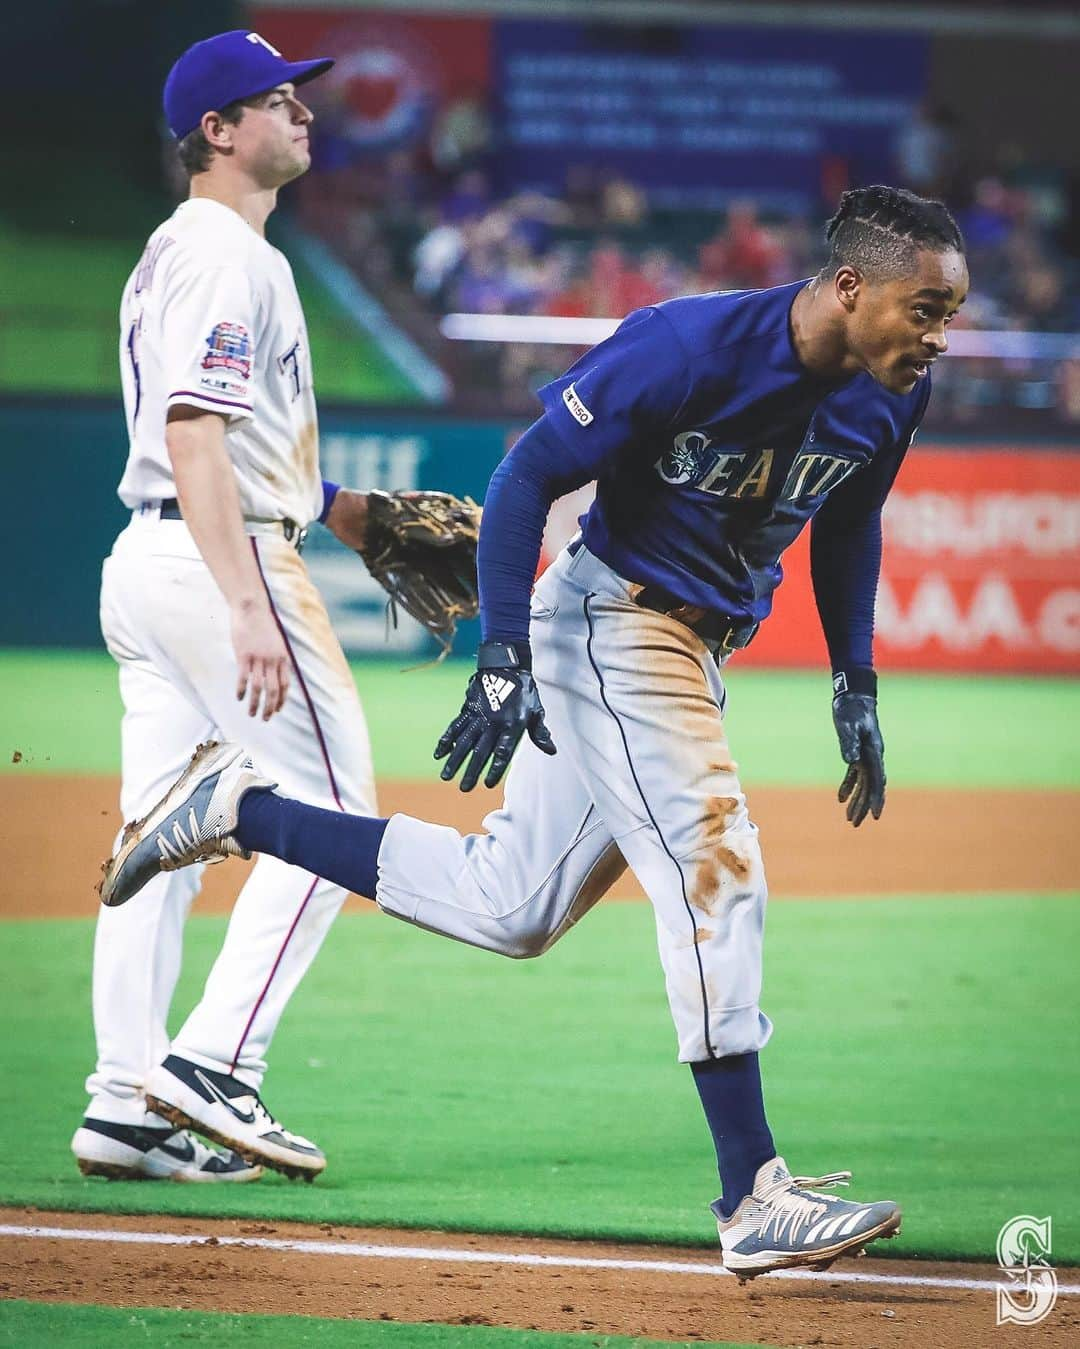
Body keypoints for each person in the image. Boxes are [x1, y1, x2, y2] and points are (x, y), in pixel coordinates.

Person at [98, 186, 969, 1278]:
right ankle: (752, 1189)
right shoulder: (689, 345)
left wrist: (857, 678)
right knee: (717, 862)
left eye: (949, 312)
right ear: (852, 285)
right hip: (616, 616)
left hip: (693, 644)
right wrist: (502, 649)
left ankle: (238, 808)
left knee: (509, 904)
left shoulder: (891, 396)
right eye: (926, 307)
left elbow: (850, 525)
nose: (941, 333)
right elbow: (526, 476)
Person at [72, 30, 381, 1185]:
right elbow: (196, 435)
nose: (303, 107)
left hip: (151, 566)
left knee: (158, 842)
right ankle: (214, 1064)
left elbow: (218, 438)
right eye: (277, 96)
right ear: (217, 128)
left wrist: (335, 507)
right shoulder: (225, 254)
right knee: (338, 806)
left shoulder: (180, 251)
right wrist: (248, 604)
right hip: (216, 565)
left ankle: (124, 1104)